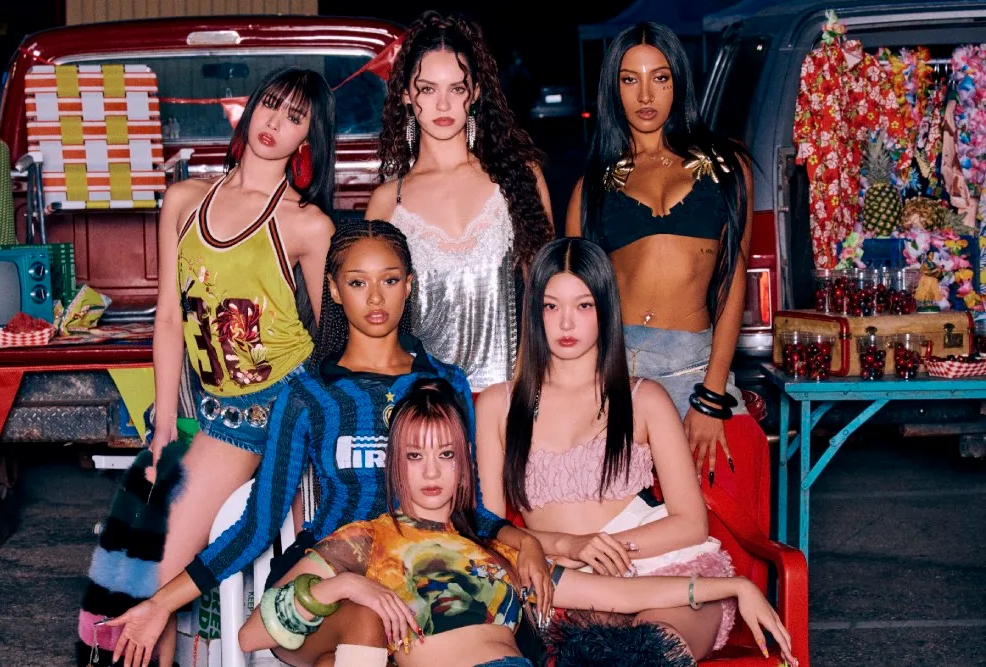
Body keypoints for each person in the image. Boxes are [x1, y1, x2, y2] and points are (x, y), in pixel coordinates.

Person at [106, 220, 553, 667]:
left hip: (424, 578)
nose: (375, 298)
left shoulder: (445, 382)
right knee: (365, 621)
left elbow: (469, 510)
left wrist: (523, 541)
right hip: (330, 582)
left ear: (408, 286)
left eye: (389, 280)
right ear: (335, 291)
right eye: (358, 283)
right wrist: (162, 603)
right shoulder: (309, 394)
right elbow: (257, 525)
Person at [239, 377, 796, 667]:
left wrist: (735, 587)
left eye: (445, 455)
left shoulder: (500, 551)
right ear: (394, 464)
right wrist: (346, 586)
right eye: (414, 455)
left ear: (464, 465)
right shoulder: (366, 540)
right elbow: (252, 634)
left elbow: (621, 595)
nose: (430, 472)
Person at [76, 66, 336, 667]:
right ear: (250, 108)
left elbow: (330, 345)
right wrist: (164, 423)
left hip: (271, 410)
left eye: (295, 117)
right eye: (271, 105)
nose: (275, 123)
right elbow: (169, 318)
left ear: (308, 139)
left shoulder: (307, 223)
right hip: (205, 407)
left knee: (156, 569)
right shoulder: (185, 199)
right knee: (130, 546)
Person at [478, 237, 762, 662]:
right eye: (551, 306)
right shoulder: (499, 405)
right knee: (597, 651)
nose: (566, 322)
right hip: (567, 583)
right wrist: (570, 547)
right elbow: (489, 530)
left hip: (667, 570)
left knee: (654, 650)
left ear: (606, 310)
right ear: (533, 311)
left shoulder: (645, 398)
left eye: (584, 305)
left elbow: (690, 524)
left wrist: (603, 547)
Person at [565, 23, 759, 483]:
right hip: (618, 374)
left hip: (698, 366)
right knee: (623, 516)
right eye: (629, 79)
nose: (646, 95)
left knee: (724, 501)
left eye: (660, 77)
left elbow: (732, 282)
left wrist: (712, 394)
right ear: (613, 89)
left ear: (679, 83)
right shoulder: (591, 189)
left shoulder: (728, 168)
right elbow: (574, 304)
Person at [365, 10, 554, 391]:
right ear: (406, 95)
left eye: (456, 88)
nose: (443, 105)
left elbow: (548, 294)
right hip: (422, 405)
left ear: (476, 93)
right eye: (428, 89)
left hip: (510, 397)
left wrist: (524, 391)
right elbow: (373, 319)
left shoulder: (518, 178)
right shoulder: (387, 202)